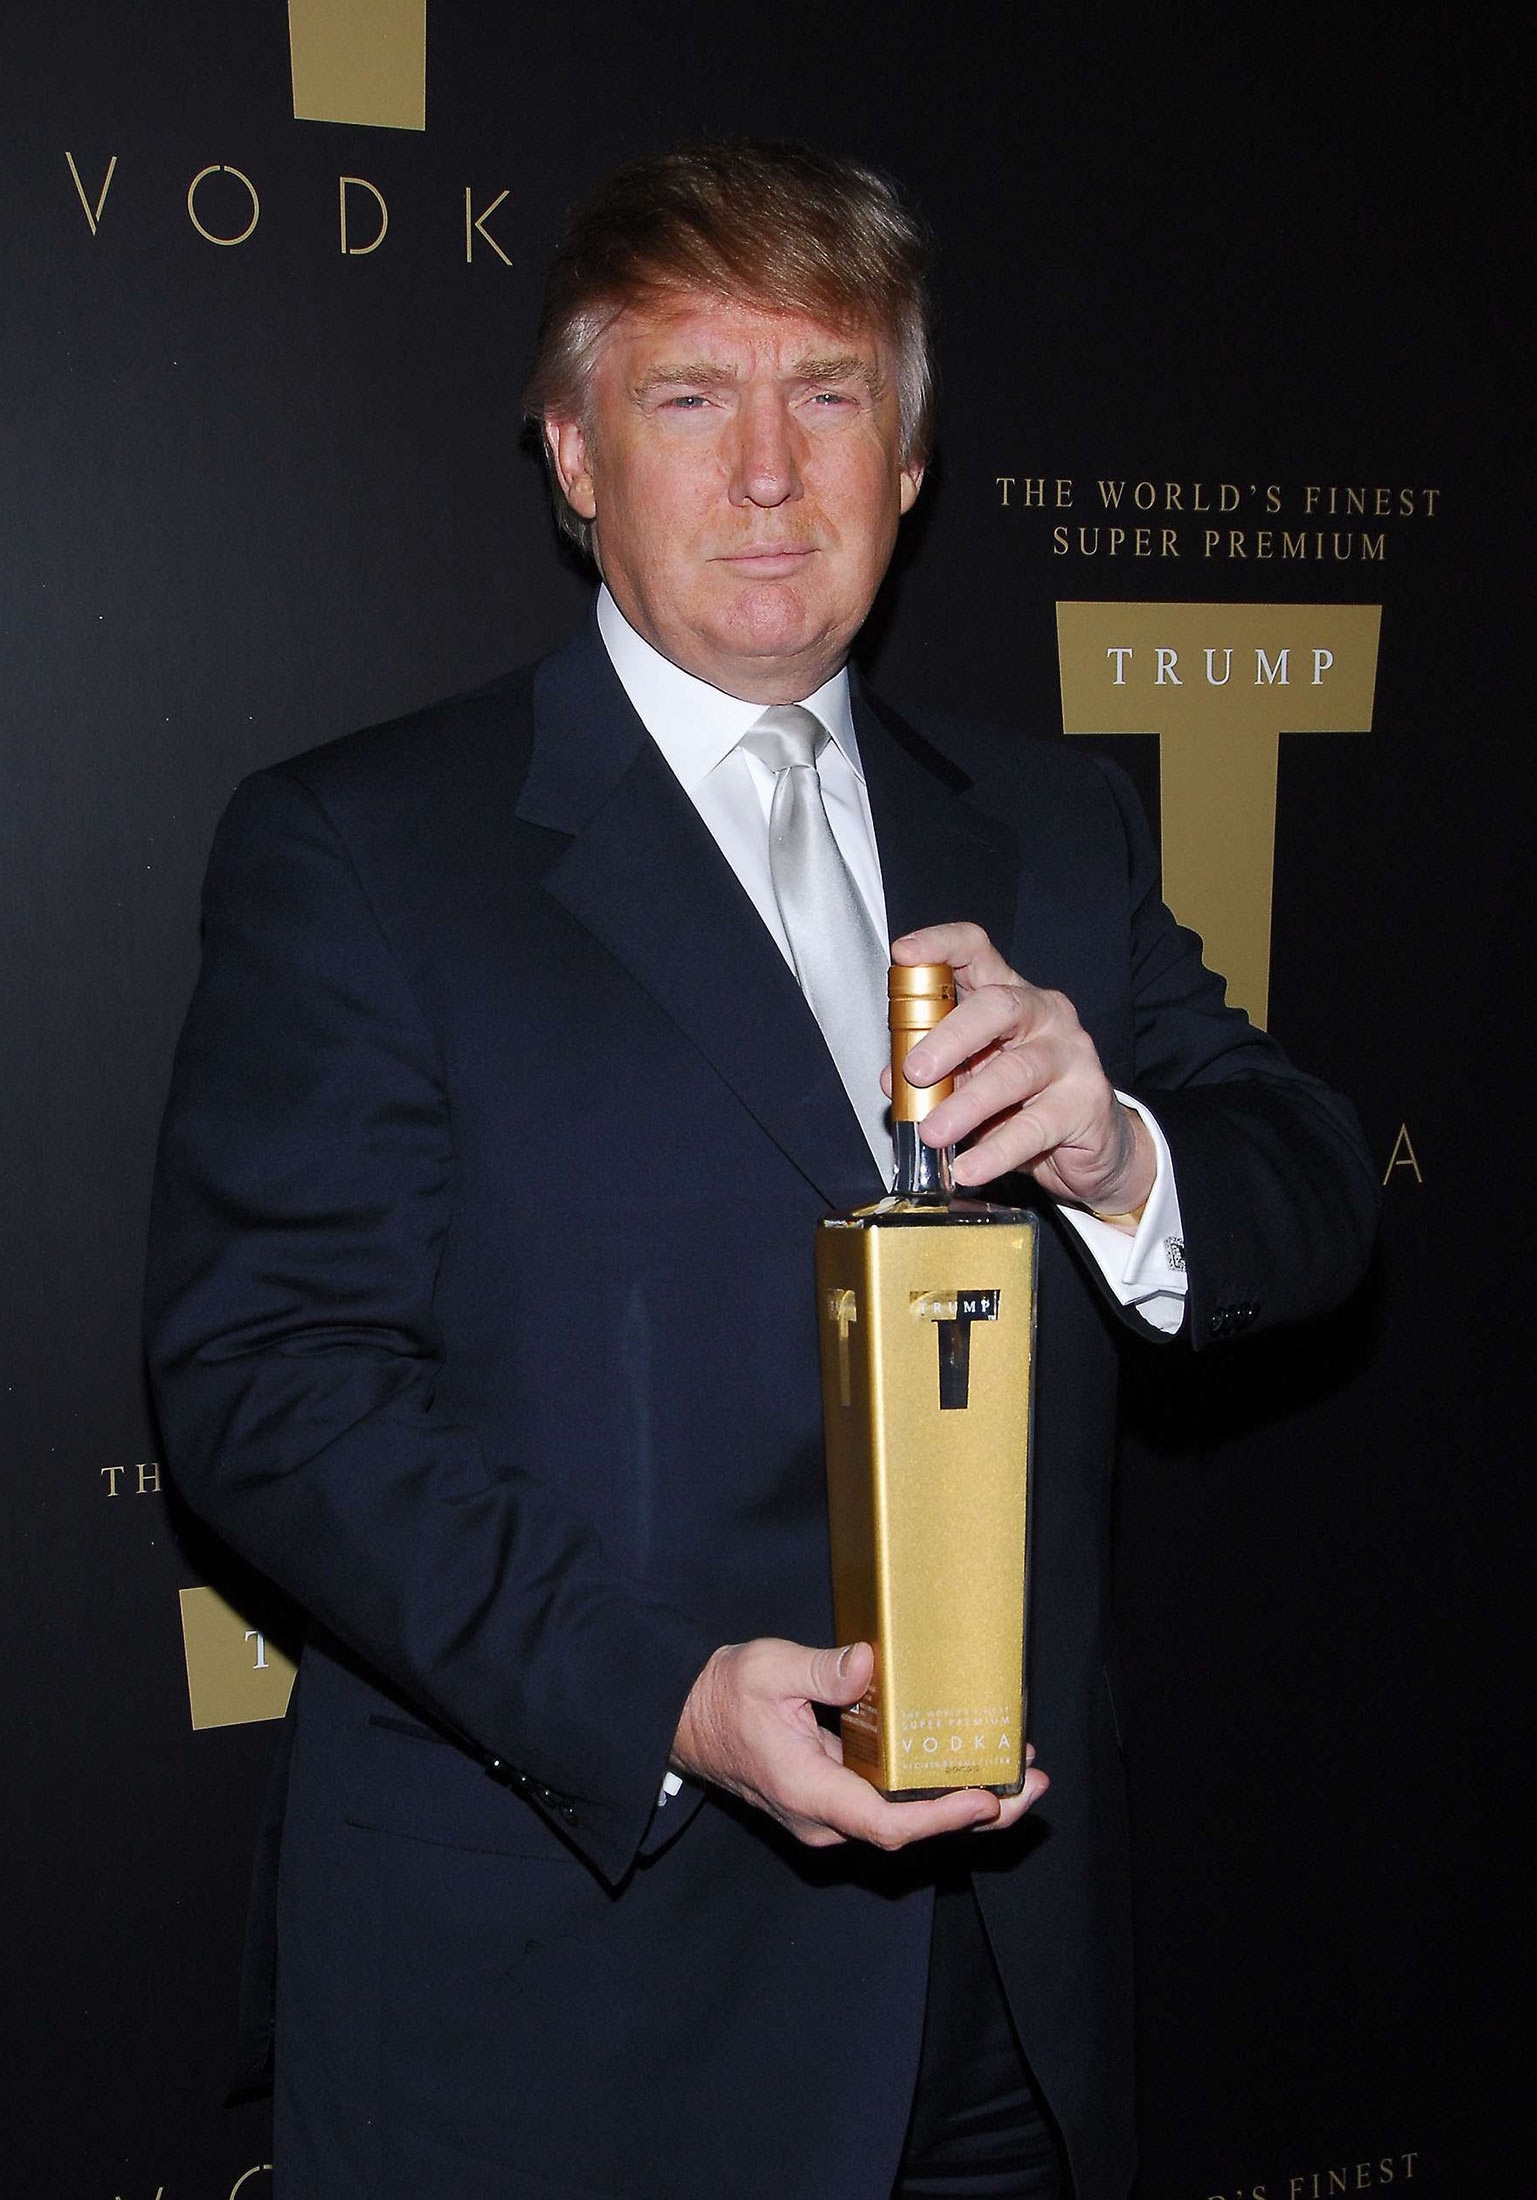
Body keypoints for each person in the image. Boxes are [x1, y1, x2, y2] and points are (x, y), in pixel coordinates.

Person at [145, 141, 1378, 2200]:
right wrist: (670, 1699)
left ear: (910, 463)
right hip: (570, 1993)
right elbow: (267, 1384)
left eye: (829, 396)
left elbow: (1310, 1187)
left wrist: (1117, 1147)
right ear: (571, 454)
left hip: (1003, 1989)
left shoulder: (1052, 825)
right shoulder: (364, 848)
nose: (772, 473)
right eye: (690, 396)